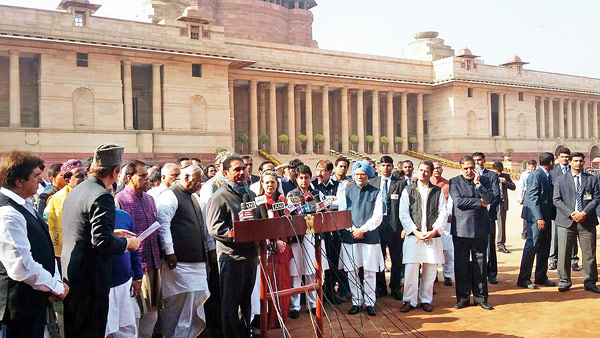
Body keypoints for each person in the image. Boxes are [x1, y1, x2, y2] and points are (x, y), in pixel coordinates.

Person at [61, 144, 141, 337]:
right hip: (92, 277)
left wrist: (113, 233)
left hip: (72, 272)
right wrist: (127, 244)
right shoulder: (102, 196)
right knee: (90, 330)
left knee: (76, 329)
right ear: (115, 172)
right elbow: (101, 243)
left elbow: (84, 230)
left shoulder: (77, 190)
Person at [0, 151, 69, 337]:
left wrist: (55, 281)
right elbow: (21, 267)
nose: (41, 181)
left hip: (34, 302)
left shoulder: (25, 204)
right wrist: (56, 287)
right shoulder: (8, 213)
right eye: (36, 176)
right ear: (18, 181)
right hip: (16, 310)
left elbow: (44, 247)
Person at [156, 165, 212, 337]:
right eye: (198, 180)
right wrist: (170, 251)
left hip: (196, 263)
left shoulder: (195, 198)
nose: (200, 184)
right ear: (187, 177)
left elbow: (204, 229)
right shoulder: (170, 195)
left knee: (192, 306)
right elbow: (163, 224)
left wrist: (210, 250)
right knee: (176, 306)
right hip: (178, 264)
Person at [207, 156, 259, 338]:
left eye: (243, 168)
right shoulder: (219, 197)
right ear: (225, 172)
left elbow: (258, 219)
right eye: (236, 169)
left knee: (246, 301)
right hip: (232, 258)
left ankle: (245, 333)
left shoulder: (250, 195)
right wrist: (235, 232)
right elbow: (215, 228)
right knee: (230, 303)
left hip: (251, 255)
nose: (241, 173)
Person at [115, 160, 162, 337]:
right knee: (135, 313)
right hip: (135, 265)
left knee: (153, 311)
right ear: (129, 178)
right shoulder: (119, 200)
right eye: (142, 175)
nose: (146, 178)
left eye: (146, 175)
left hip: (153, 262)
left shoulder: (150, 199)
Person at [399, 161, 447, 313]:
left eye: (426, 170)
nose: (423, 173)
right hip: (414, 236)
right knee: (411, 271)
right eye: (420, 170)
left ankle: (426, 300)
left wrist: (433, 231)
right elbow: (404, 214)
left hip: (431, 236)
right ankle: (409, 300)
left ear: (431, 172)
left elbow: (443, 213)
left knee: (430, 270)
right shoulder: (408, 190)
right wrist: (416, 231)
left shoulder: (437, 191)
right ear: (417, 171)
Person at [338, 161, 383, 316]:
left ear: (368, 176)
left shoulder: (376, 192)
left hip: (369, 237)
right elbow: (342, 213)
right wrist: (353, 230)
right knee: (352, 271)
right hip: (350, 236)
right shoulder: (347, 192)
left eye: (362, 174)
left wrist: (362, 230)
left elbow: (378, 217)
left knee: (370, 272)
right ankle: (356, 302)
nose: (359, 177)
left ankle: (370, 302)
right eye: (357, 174)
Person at [449, 156, 494, 310]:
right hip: (461, 229)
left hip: (480, 228)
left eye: (471, 168)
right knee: (461, 264)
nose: (469, 171)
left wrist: (478, 184)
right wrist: (478, 202)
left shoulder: (485, 180)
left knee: (480, 264)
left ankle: (481, 297)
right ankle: (463, 297)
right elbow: (459, 202)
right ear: (460, 168)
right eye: (465, 168)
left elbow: (488, 199)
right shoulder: (454, 182)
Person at [552, 152, 600, 293]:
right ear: (571, 162)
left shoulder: (591, 179)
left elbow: (596, 198)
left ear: (584, 162)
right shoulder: (561, 179)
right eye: (575, 161)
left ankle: (590, 281)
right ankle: (564, 281)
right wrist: (572, 213)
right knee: (564, 253)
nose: (578, 163)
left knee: (589, 253)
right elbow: (557, 200)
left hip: (587, 220)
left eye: (580, 161)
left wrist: (584, 213)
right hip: (566, 221)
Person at [286, 164, 328, 319]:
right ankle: (295, 306)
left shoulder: (317, 193)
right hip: (297, 237)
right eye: (301, 178)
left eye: (307, 177)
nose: (304, 181)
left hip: (314, 237)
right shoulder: (291, 194)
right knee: (296, 273)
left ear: (311, 178)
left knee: (312, 272)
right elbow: (293, 213)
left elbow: (322, 212)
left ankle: (313, 305)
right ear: (296, 179)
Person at [517, 152, 557, 290]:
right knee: (532, 246)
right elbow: (532, 197)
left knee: (544, 247)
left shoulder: (546, 175)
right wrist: (539, 218)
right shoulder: (536, 175)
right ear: (551, 162)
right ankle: (523, 278)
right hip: (536, 219)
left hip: (545, 217)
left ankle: (541, 276)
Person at [259, 170, 292, 328]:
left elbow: (286, 223)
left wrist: (280, 240)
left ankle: (280, 319)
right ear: (262, 184)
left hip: (282, 246)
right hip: (265, 247)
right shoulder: (258, 201)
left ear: (277, 184)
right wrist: (272, 240)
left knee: (282, 283)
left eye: (273, 182)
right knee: (266, 285)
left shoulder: (282, 200)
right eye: (267, 182)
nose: (270, 185)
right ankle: (267, 319)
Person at [370, 155, 406, 300]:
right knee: (379, 258)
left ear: (392, 167)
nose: (386, 168)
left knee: (397, 258)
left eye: (389, 165)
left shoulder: (401, 183)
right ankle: (380, 287)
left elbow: (405, 207)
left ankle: (395, 287)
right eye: (383, 165)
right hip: (377, 226)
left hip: (395, 226)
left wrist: (404, 227)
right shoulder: (373, 182)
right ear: (379, 166)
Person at [105, 204, 143, 338]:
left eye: (109, 191)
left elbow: (135, 248)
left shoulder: (125, 216)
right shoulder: (89, 219)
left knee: (127, 329)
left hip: (124, 283)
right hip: (103, 286)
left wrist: (138, 277)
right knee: (105, 329)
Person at [45, 159, 86, 261]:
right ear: (67, 180)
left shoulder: (91, 195)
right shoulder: (55, 200)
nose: (84, 179)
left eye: (86, 175)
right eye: (79, 176)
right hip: (66, 254)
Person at [472, 152, 500, 284]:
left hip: (488, 215)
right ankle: (477, 273)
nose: (477, 162)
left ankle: (492, 273)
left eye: (479, 160)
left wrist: (486, 207)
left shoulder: (492, 175)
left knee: (490, 245)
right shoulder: (468, 175)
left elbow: (495, 195)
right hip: (473, 216)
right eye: (475, 160)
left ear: (484, 160)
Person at [549, 147, 580, 271]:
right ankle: (553, 259)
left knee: (573, 236)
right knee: (555, 236)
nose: (565, 159)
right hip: (557, 210)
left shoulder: (575, 171)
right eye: (562, 156)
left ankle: (574, 260)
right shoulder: (552, 173)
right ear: (557, 158)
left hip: (573, 210)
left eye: (567, 157)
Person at [431, 160, 453, 286]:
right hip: (430, 222)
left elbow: (450, 202)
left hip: (445, 221)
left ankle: (448, 275)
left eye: (439, 168)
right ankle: (433, 274)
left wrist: (446, 215)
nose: (437, 170)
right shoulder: (427, 183)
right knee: (432, 249)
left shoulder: (447, 184)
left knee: (448, 250)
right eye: (434, 168)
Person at [490, 162, 516, 253]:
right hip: (492, 203)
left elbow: (513, 187)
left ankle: (501, 244)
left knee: (501, 224)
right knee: (489, 224)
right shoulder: (489, 176)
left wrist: (506, 182)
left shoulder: (505, 176)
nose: (499, 174)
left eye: (500, 172)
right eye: (497, 172)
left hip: (501, 202)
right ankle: (489, 245)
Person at [518, 160, 537, 240]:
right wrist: (520, 198)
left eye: (534, 166)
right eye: (532, 166)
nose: (533, 168)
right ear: (528, 166)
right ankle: (525, 232)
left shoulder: (537, 174)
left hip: (535, 193)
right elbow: (521, 186)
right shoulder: (524, 175)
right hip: (527, 194)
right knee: (527, 213)